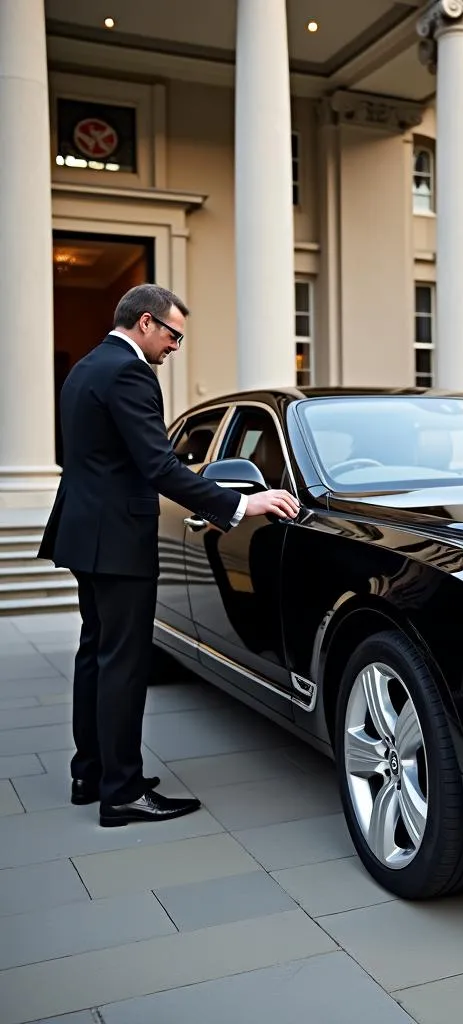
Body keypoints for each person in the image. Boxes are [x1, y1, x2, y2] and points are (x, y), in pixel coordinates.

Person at [38, 284, 300, 827]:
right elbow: (160, 467)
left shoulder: (86, 367)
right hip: (118, 539)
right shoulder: (130, 373)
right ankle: (123, 792)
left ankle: (91, 773)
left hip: (86, 533)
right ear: (145, 323)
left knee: (96, 655)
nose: (175, 347)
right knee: (123, 665)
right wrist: (241, 504)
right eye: (173, 334)